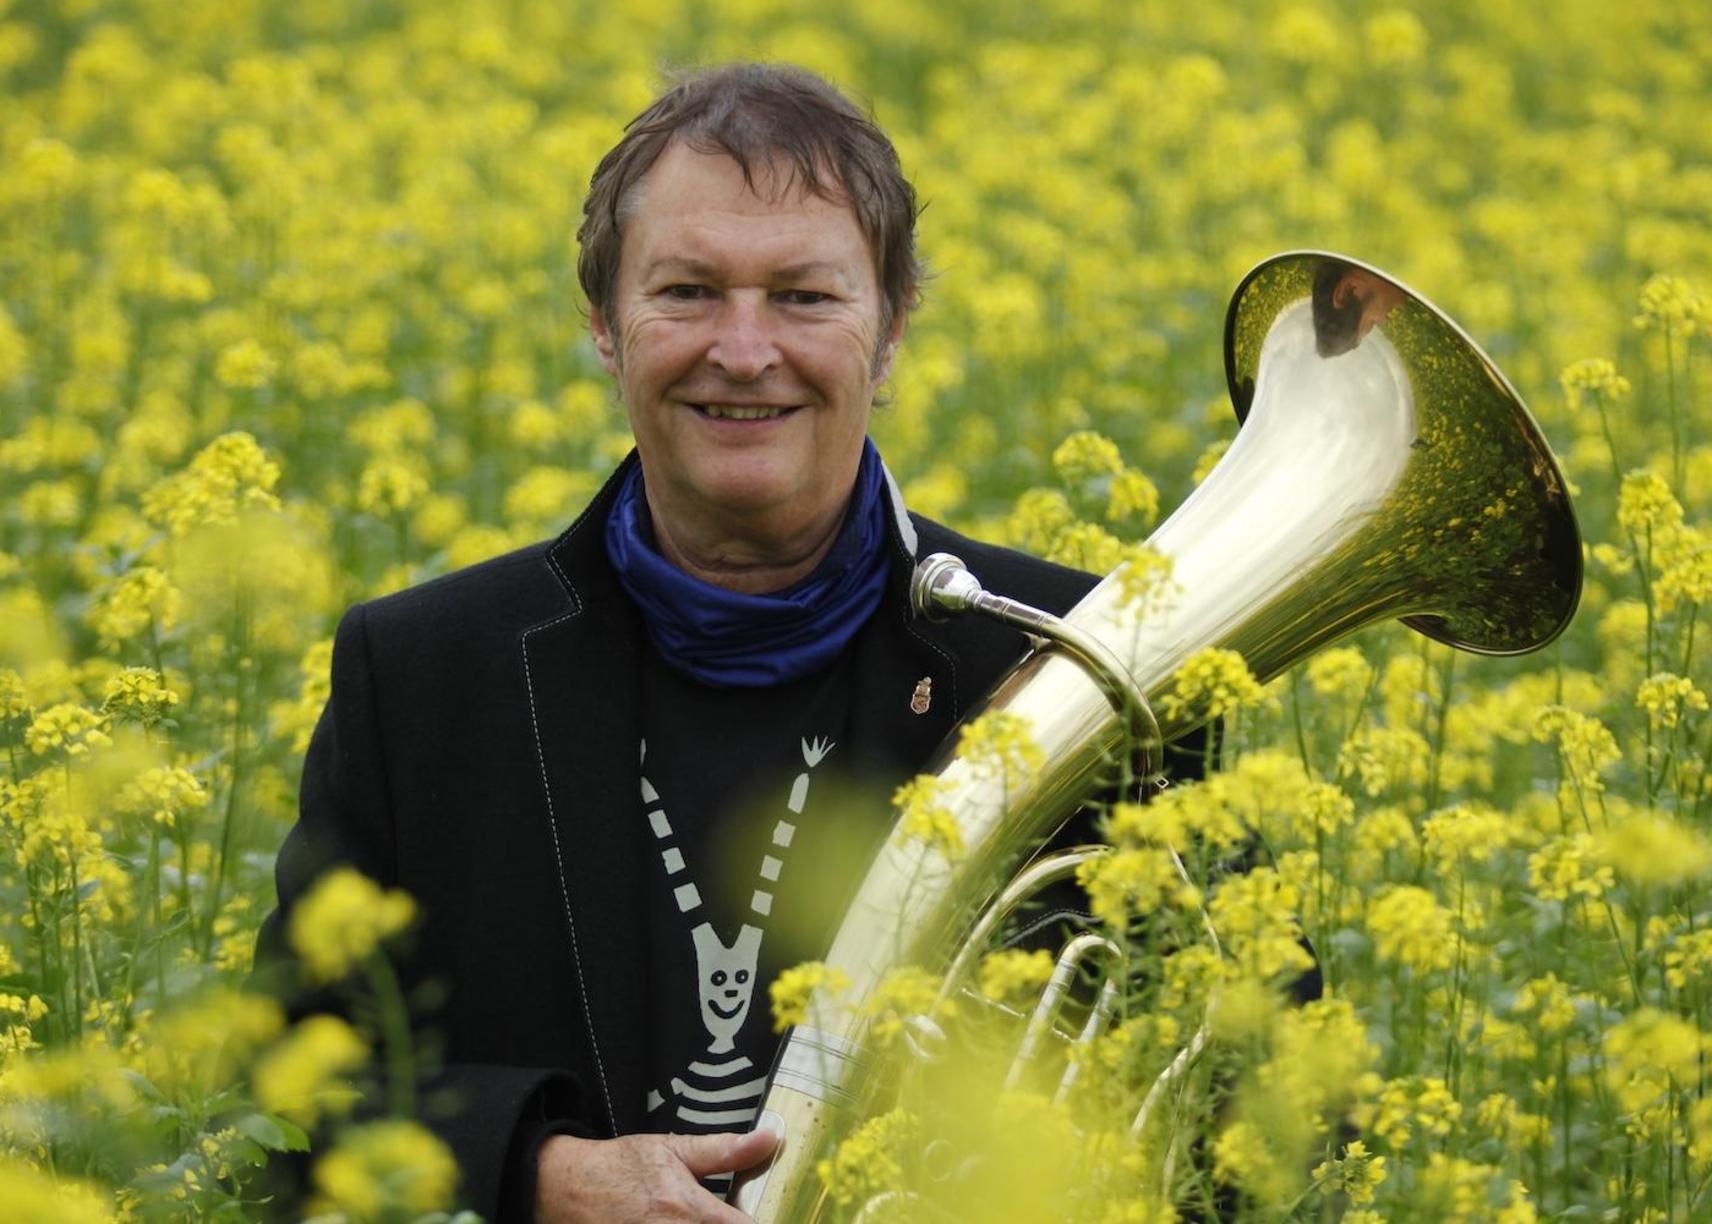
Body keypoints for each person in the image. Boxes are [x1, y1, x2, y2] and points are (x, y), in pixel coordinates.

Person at [256, 63, 1202, 1223]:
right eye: (688, 292)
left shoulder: (1086, 661)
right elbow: (280, 1100)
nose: (744, 351)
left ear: (891, 332)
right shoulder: (422, 677)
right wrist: (538, 1173)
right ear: (605, 328)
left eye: (803, 297)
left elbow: (1229, 1103)